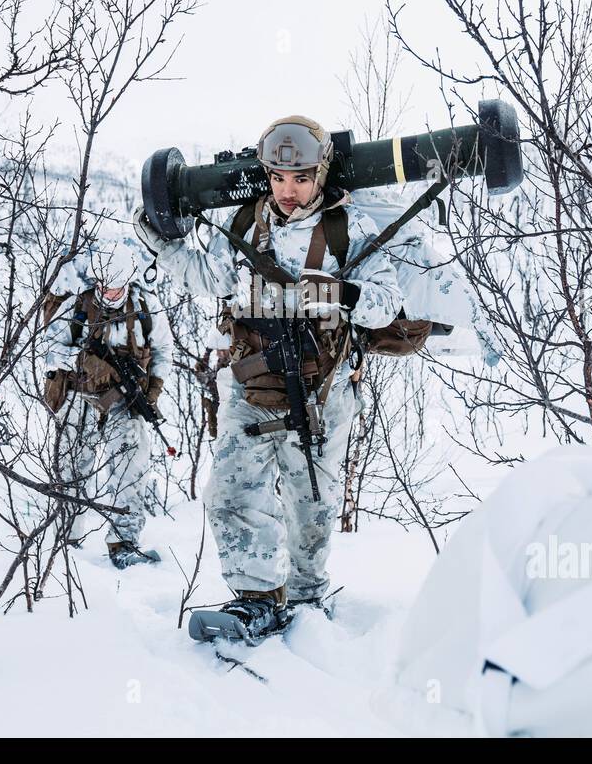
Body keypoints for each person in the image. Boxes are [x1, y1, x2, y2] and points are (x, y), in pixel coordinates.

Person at [135, 114, 403, 641]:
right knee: (231, 494)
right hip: (250, 385)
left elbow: (387, 303)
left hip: (322, 390)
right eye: (278, 178)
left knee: (312, 507)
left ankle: (305, 593)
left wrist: (343, 293)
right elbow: (210, 278)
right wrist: (162, 245)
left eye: (301, 178)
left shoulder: (348, 230)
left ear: (321, 174)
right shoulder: (243, 223)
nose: (288, 190)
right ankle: (256, 597)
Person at [43, 241, 173, 570]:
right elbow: (49, 349)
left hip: (124, 400)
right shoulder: (77, 305)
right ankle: (67, 539)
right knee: (73, 466)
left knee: (130, 467)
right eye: (105, 287)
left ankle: (123, 542)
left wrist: (153, 389)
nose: (111, 293)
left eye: (117, 287)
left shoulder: (145, 306)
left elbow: (163, 353)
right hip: (80, 395)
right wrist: (84, 361)